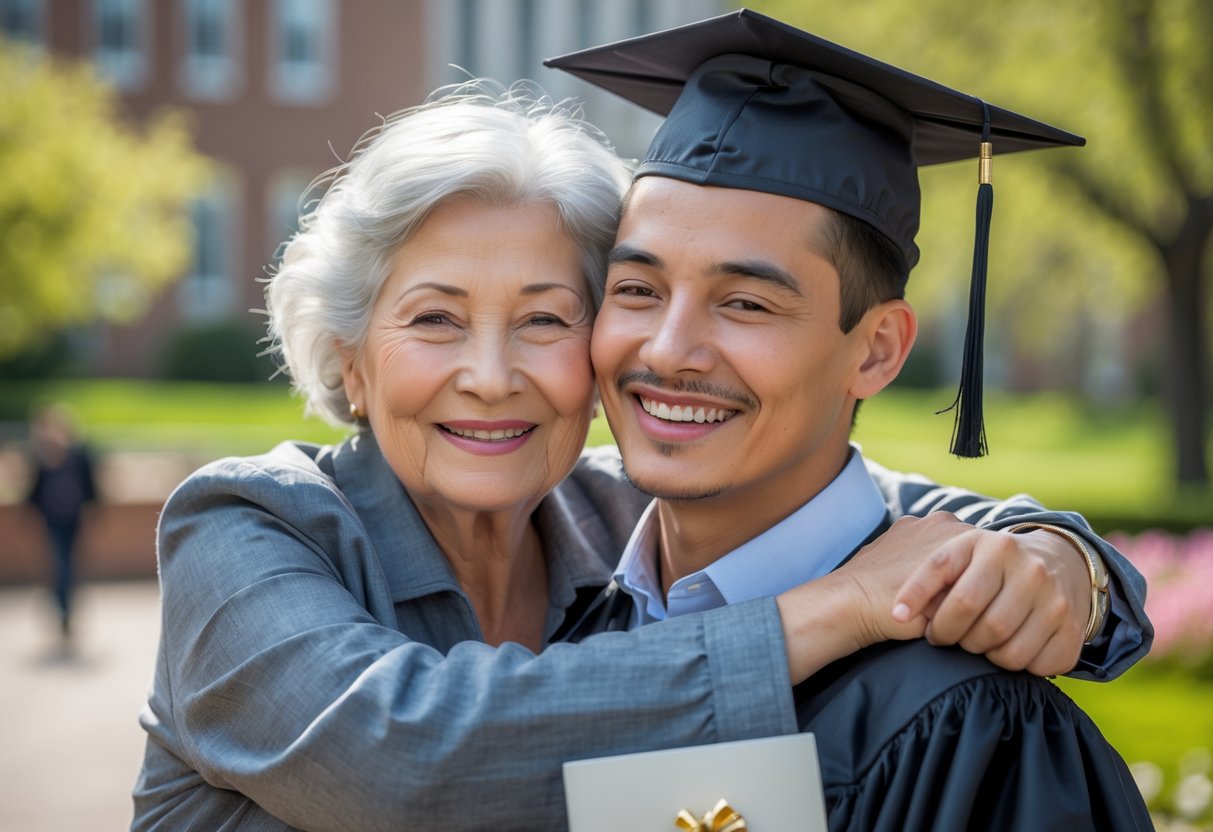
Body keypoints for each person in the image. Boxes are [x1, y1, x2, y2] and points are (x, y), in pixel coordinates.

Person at [132, 82, 1147, 831]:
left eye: (546, 318)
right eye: (435, 319)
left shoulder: (605, 525)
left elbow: (868, 503)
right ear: (349, 361)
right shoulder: (251, 528)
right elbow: (411, 759)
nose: (491, 375)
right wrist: (833, 607)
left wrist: (1062, 556)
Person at [547, 9, 1151, 829]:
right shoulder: (561, 630)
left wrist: (1067, 561)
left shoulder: (971, 721)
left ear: (874, 351)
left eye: (745, 302)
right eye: (636, 289)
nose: (668, 348)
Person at [25, 401, 97, 643]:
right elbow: (34, 488)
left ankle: (66, 608)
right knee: (60, 565)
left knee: (69, 565)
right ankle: (63, 609)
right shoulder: (43, 455)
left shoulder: (78, 453)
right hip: (52, 518)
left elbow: (90, 484)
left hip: (73, 517)